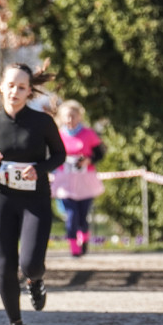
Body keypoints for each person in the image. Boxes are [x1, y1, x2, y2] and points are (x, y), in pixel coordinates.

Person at [0, 63, 66, 325]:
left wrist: (39, 167)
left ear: (29, 91)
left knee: (30, 264)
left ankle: (35, 281)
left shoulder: (42, 122)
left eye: (21, 87)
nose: (15, 91)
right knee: (6, 264)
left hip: (35, 200)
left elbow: (59, 155)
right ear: (1, 87)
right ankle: (15, 323)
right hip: (2, 200)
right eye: (10, 85)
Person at [52, 100, 106, 257]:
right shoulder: (58, 135)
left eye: (73, 116)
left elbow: (100, 153)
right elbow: (52, 155)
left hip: (85, 180)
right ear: (61, 118)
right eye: (67, 116)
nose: (70, 120)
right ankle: (73, 246)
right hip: (65, 180)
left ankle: (84, 239)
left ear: (79, 116)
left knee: (83, 214)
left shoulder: (88, 134)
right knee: (71, 214)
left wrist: (89, 160)